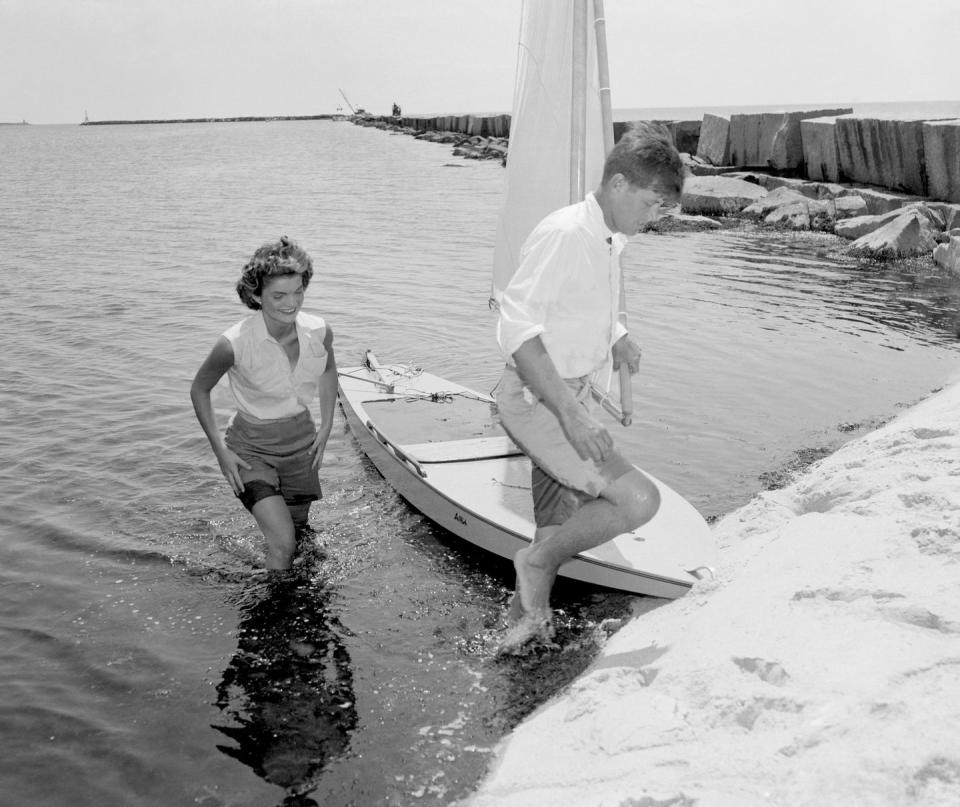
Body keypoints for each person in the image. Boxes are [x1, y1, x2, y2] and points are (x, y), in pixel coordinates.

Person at [495, 124, 685, 644]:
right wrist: (573, 417)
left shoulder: (608, 237)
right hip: (541, 401)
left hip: (568, 393)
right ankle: (533, 566)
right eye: (651, 205)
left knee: (557, 526)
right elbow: (517, 330)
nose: (654, 219)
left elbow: (575, 305)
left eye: (663, 211)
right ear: (619, 184)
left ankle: (519, 635)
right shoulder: (565, 235)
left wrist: (617, 335)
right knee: (638, 501)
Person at [191, 236, 338, 572]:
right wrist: (220, 452)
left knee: (298, 534)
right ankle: (274, 615)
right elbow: (199, 390)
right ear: (256, 296)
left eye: (298, 291)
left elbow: (329, 369)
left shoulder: (319, 331)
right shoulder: (234, 344)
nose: (292, 303)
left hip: (302, 448)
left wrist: (327, 424)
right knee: (284, 544)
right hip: (250, 452)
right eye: (279, 295)